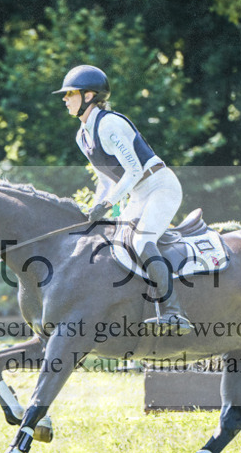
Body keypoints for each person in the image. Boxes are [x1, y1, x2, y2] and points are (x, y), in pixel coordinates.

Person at [53, 64, 191, 331]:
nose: (65, 99)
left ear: (89, 96)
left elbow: (134, 170)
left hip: (160, 186)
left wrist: (107, 204)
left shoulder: (109, 124)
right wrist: (94, 210)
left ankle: (175, 312)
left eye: (70, 93)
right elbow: (106, 180)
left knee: (141, 241)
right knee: (112, 243)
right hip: (137, 193)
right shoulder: (82, 136)